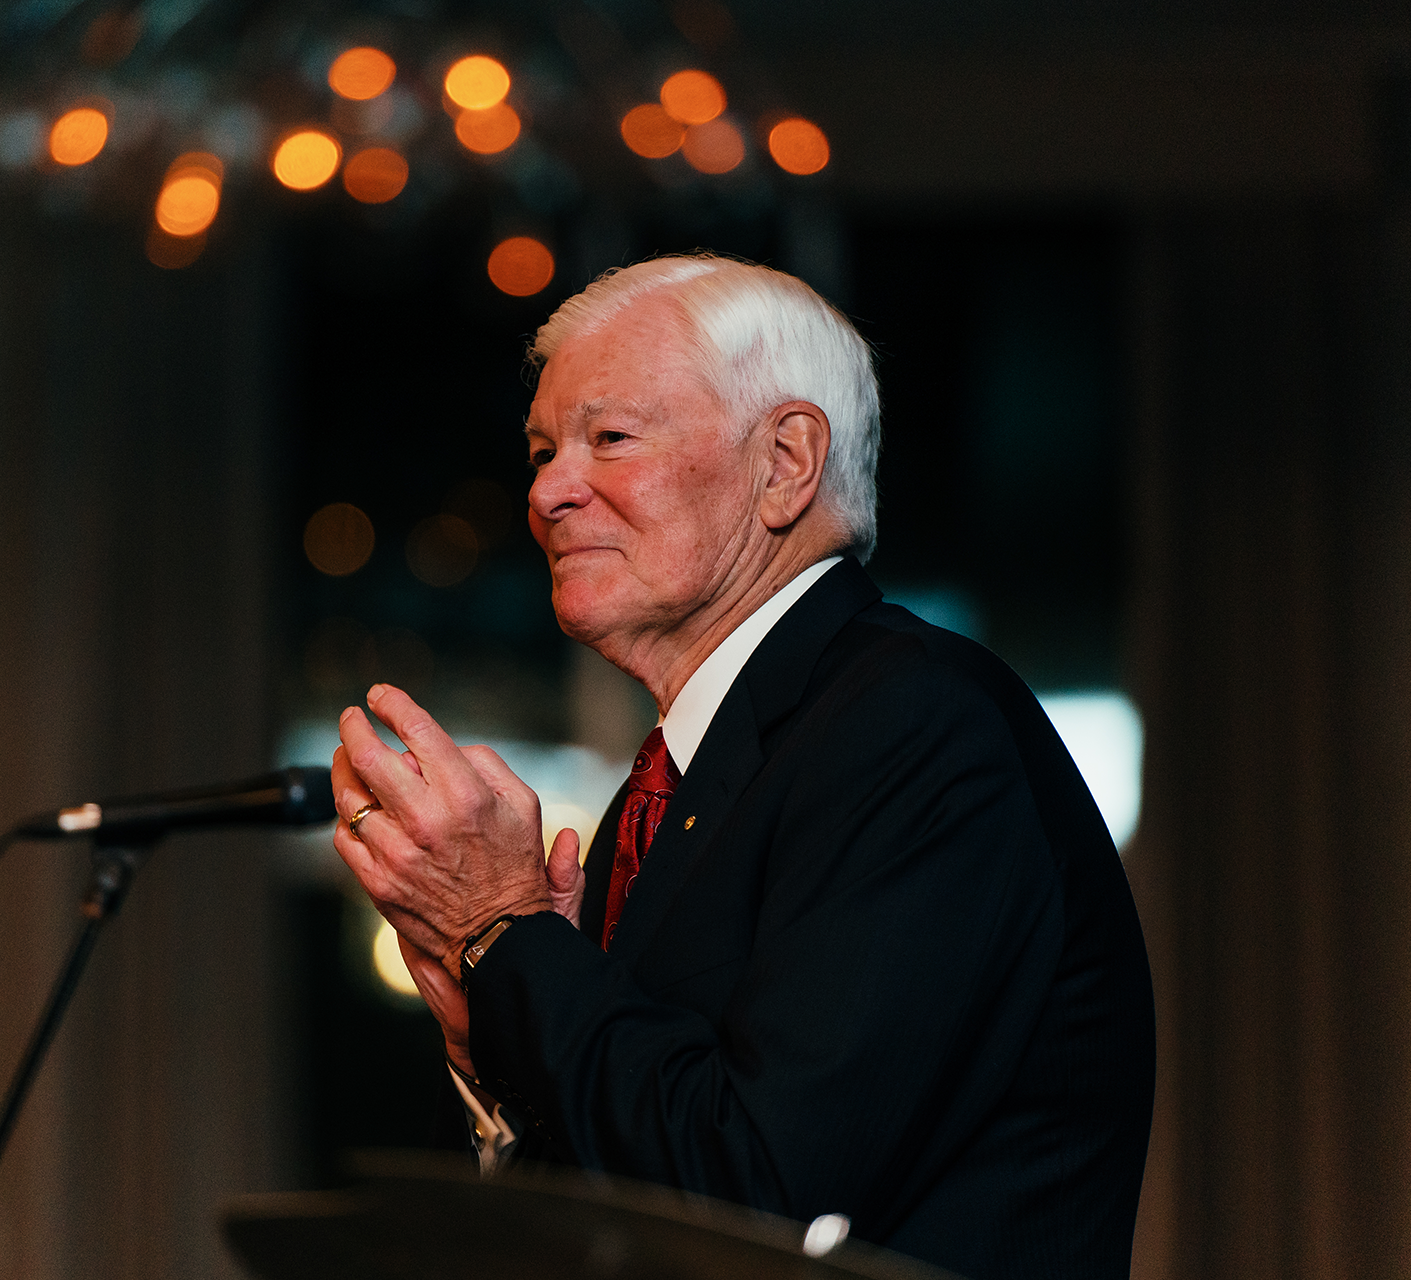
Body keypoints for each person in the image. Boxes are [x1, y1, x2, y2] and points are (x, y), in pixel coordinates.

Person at [330, 253, 1154, 1280]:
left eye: (610, 438)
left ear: (786, 462)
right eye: (541, 450)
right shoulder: (683, 776)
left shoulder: (914, 723)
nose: (546, 491)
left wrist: (507, 929)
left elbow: (759, 1198)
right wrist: (494, 1036)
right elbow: (642, 1191)